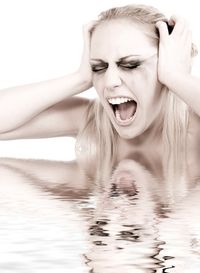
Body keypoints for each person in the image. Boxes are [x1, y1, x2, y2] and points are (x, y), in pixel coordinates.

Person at [0, 4, 199, 166]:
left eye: (131, 65)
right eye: (98, 67)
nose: (110, 81)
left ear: (167, 62)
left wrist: (175, 76)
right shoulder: (94, 123)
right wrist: (79, 79)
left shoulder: (194, 128)